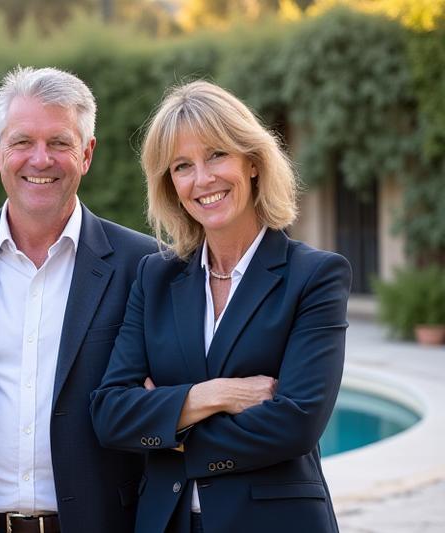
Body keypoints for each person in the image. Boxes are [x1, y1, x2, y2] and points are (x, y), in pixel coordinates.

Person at [90, 80, 351, 533]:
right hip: (165, 522)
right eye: (182, 166)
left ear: (253, 162)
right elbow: (111, 414)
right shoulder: (155, 277)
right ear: (170, 185)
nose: (202, 179)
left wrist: (168, 428)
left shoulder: (314, 276)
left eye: (216, 155)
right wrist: (215, 395)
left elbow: (296, 424)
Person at [0, 66, 157, 533]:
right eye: (22, 142)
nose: (40, 159)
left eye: (59, 143)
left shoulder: (143, 265)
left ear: (87, 154)